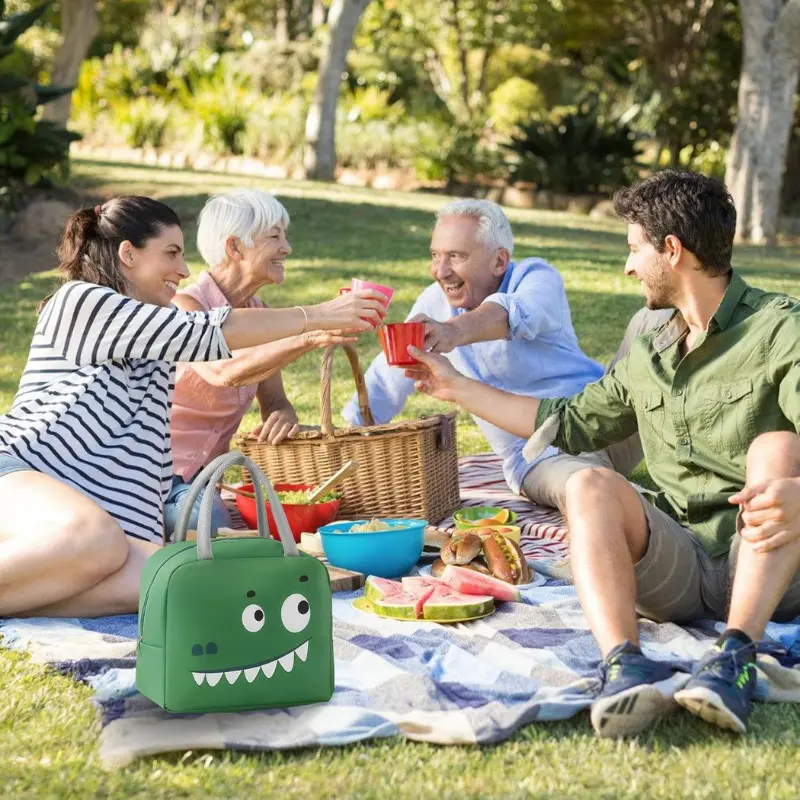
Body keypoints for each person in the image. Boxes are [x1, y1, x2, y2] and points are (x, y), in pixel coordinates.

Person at [404, 171, 800, 738]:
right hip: (681, 560)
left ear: (672, 250)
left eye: (635, 248)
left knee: (777, 447)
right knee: (586, 485)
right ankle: (625, 666)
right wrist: (452, 386)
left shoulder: (780, 328)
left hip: (765, 560)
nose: (628, 265)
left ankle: (733, 658)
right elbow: (564, 422)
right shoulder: (652, 343)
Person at [0, 196, 386, 618]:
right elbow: (204, 333)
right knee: (96, 537)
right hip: (23, 478)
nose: (183, 270)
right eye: (171, 253)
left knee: (194, 583)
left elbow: (150, 461)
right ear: (128, 254)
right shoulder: (81, 302)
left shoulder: (156, 354)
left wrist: (183, 509)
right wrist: (319, 315)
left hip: (102, 531)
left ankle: (23, 597)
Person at [342, 199, 606, 501]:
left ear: (499, 261)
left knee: (651, 321)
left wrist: (453, 331)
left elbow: (511, 313)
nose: (440, 271)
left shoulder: (535, 278)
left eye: (455, 256)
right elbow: (389, 373)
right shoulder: (434, 302)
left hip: (603, 416)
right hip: (540, 455)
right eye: (435, 255)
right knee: (589, 490)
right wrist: (349, 434)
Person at [164, 190, 355, 538]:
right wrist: (310, 333)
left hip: (209, 481)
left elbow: (274, 400)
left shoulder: (257, 310)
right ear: (234, 248)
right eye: (274, 236)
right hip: (161, 479)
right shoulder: (184, 307)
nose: (287, 248)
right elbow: (223, 371)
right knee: (213, 532)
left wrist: (283, 414)